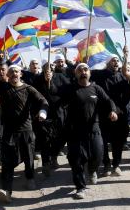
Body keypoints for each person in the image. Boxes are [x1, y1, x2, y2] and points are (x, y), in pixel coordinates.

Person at [0, 55, 48, 203]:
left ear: (21, 74)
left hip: (26, 130)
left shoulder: (28, 89)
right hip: (9, 131)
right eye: (11, 72)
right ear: (7, 75)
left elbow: (43, 101)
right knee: (7, 161)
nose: (14, 74)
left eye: (17, 72)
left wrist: (42, 112)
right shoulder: (3, 87)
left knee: (28, 157)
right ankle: (6, 190)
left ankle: (30, 177)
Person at [45, 62, 118, 199]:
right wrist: (49, 80)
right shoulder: (70, 89)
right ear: (75, 73)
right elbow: (54, 91)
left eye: (86, 69)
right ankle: (80, 187)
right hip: (75, 131)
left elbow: (109, 101)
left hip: (94, 128)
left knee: (97, 154)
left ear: (89, 73)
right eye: (80, 70)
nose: (83, 72)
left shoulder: (96, 88)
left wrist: (112, 111)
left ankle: (92, 171)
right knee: (76, 159)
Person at [90, 50, 130, 177]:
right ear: (108, 63)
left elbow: (128, 95)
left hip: (120, 114)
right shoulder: (99, 74)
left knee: (118, 141)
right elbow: (86, 75)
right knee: (102, 141)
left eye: (117, 61)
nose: (115, 63)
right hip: (103, 114)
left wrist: (118, 111)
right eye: (113, 60)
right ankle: (106, 164)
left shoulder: (122, 77)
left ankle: (116, 165)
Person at [32, 53, 74, 174]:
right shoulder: (37, 79)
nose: (49, 68)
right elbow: (34, 96)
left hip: (59, 113)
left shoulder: (61, 77)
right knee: (44, 138)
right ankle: (45, 163)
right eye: (46, 66)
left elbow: (65, 93)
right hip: (43, 114)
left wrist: (52, 84)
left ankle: (54, 157)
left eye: (51, 65)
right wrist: (45, 81)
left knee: (60, 138)